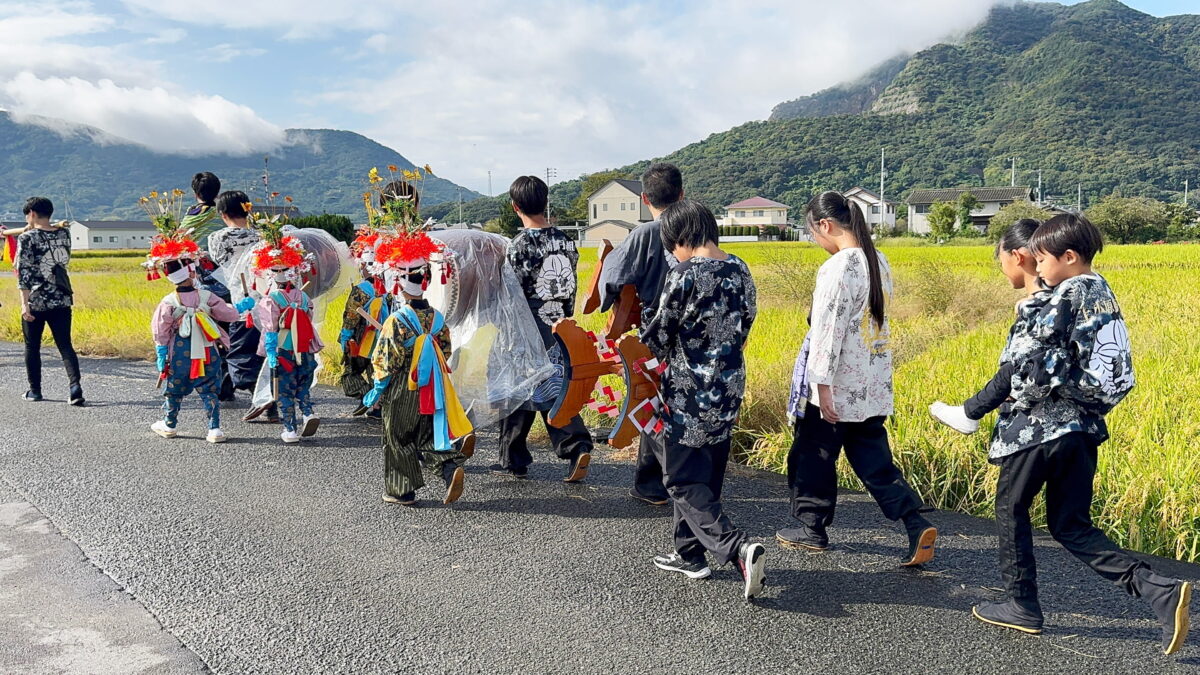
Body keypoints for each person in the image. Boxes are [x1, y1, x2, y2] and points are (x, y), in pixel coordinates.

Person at [935, 214, 1191, 654]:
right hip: (1083, 428)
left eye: (1043, 260)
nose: (1039, 269)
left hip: (1040, 427)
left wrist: (990, 402)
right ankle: (1158, 590)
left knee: (1011, 510)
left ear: (1068, 257)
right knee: (1069, 524)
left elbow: (1030, 365)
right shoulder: (1102, 291)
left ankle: (1021, 605)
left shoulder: (1067, 293)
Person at [778, 191, 937, 566]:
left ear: (825, 225)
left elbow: (827, 332)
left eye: (812, 232)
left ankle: (811, 528)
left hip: (838, 385)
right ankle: (915, 523)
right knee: (874, 462)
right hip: (872, 385)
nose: (815, 240)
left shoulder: (838, 267)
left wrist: (822, 388)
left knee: (812, 456)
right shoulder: (877, 260)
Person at [640, 199, 765, 600]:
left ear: (681, 237)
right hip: (729, 387)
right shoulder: (740, 268)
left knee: (679, 480)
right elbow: (746, 323)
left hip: (689, 393)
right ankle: (689, 554)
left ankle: (736, 548)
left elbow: (658, 337)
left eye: (670, 245)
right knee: (705, 476)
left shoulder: (683, 275)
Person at [490, 176, 592, 483]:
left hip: (529, 324)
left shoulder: (519, 246)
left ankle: (572, 445)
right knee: (545, 385)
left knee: (527, 387)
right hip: (561, 322)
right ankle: (518, 456)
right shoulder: (565, 240)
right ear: (545, 202)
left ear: (515, 206)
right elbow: (570, 284)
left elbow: (512, 295)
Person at [363, 222, 472, 506]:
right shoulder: (436, 317)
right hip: (432, 386)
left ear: (397, 281)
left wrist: (377, 389)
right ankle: (449, 468)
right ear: (426, 280)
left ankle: (402, 490)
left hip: (402, 386)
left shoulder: (396, 320)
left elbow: (385, 360)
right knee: (431, 432)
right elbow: (444, 350)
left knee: (397, 436)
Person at [598, 162, 684, 506]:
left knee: (654, 399)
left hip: (656, 329)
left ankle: (659, 485)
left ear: (644, 197)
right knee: (678, 402)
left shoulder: (644, 234)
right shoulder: (698, 227)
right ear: (681, 194)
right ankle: (669, 481)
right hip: (697, 332)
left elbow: (611, 277)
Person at [148, 233, 254, 443]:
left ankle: (170, 424)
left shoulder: (168, 302)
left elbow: (160, 332)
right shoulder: (206, 297)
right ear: (192, 270)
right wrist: (244, 305)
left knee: (174, 388)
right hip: (207, 350)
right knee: (209, 389)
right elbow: (229, 314)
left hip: (179, 352)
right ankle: (214, 429)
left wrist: (161, 354)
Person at [249, 223, 323, 444]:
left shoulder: (270, 300)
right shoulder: (303, 297)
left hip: (283, 349)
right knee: (303, 382)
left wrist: (270, 354)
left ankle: (290, 429)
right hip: (305, 346)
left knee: (283, 388)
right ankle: (308, 412)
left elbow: (270, 330)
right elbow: (308, 318)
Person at [16, 197, 83, 405]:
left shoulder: (27, 238)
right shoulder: (64, 233)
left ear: (32, 214)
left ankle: (35, 391)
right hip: (62, 297)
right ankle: (75, 388)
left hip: (36, 299)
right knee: (65, 345)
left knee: (32, 346)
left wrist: (24, 303)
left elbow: (23, 272)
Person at [207, 191, 268, 401]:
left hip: (239, 301)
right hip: (266, 299)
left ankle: (262, 399)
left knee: (240, 350)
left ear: (223, 213)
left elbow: (218, 261)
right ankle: (230, 388)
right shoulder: (263, 236)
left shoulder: (217, 238)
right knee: (263, 348)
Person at [339, 224, 391, 419]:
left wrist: (345, 336)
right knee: (377, 371)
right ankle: (379, 406)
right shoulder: (389, 288)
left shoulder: (360, 289)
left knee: (350, 373)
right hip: (385, 337)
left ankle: (367, 396)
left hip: (363, 339)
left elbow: (351, 317)